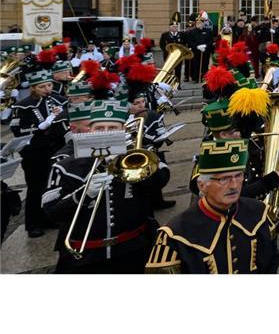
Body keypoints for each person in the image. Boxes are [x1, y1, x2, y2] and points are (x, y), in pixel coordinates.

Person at [44, 98, 171, 273]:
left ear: (123, 130)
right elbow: (51, 212)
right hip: (86, 256)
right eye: (99, 129)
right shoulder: (65, 165)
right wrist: (84, 193)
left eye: (113, 128)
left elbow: (160, 182)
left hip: (134, 249)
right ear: (89, 131)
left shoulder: (140, 155)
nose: (105, 134)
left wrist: (129, 162)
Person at [146, 138, 279, 273]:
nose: (234, 185)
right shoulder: (173, 235)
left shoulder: (261, 213)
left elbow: (271, 262)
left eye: (238, 175)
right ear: (202, 185)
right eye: (223, 179)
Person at [8, 67, 69, 237]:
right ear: (33, 87)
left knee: (52, 185)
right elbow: (17, 129)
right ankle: (33, 223)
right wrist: (41, 126)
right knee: (36, 187)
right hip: (34, 152)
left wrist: (60, 117)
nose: (48, 89)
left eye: (49, 85)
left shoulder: (60, 100)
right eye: (42, 87)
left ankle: (49, 217)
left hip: (55, 148)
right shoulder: (22, 105)